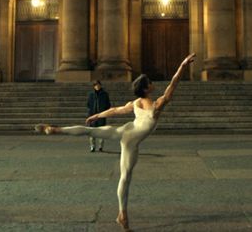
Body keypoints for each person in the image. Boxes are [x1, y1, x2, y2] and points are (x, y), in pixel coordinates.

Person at [35, 53, 195, 231]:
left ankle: (55, 129)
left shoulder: (136, 103)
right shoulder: (157, 106)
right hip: (131, 141)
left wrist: (97, 115)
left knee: (90, 130)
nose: (152, 83)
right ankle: (122, 215)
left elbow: (116, 110)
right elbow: (173, 83)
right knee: (125, 178)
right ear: (146, 88)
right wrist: (183, 65)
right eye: (150, 82)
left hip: (124, 130)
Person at [86, 80, 111, 152]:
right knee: (92, 131)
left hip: (101, 115)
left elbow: (108, 104)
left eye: (98, 85)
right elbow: (88, 104)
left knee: (101, 131)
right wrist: (91, 112)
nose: (97, 86)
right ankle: (92, 146)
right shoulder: (91, 94)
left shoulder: (105, 94)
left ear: (100, 85)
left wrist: (104, 111)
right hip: (93, 115)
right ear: (94, 86)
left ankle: (100, 146)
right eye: (96, 85)